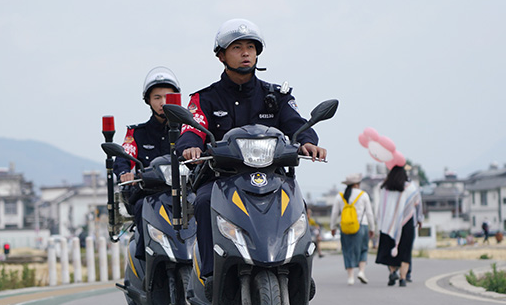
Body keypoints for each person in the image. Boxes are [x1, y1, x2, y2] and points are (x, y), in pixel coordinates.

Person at [176, 18, 327, 288]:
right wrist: (190, 144)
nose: (245, 52)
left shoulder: (276, 95)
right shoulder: (205, 98)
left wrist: (307, 140)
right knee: (202, 201)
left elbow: (295, 123)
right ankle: (211, 277)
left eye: (250, 47)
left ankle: (299, 272)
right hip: (222, 178)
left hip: (272, 177)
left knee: (297, 203)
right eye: (236, 48)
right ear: (221, 55)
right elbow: (193, 127)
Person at [113, 66, 181, 261]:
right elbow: (125, 155)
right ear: (149, 101)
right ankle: (146, 262)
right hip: (149, 195)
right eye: (157, 98)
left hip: (183, 194)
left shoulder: (187, 131)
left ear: (176, 98)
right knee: (143, 206)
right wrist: (125, 172)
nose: (162, 103)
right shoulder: (137, 133)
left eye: (168, 97)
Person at [375, 164, 422, 287]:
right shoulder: (411, 188)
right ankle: (402, 278)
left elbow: (381, 208)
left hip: (388, 224)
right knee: (405, 252)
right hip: (407, 224)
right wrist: (420, 219)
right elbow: (418, 204)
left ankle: (392, 272)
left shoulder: (385, 188)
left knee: (390, 250)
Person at [330, 173, 376, 285]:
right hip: (362, 226)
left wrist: (333, 227)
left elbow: (335, 213)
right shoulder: (363, 195)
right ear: (357, 184)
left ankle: (350, 277)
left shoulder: (340, 196)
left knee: (347, 250)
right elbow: (369, 213)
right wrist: (372, 228)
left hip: (345, 227)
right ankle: (361, 271)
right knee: (363, 249)